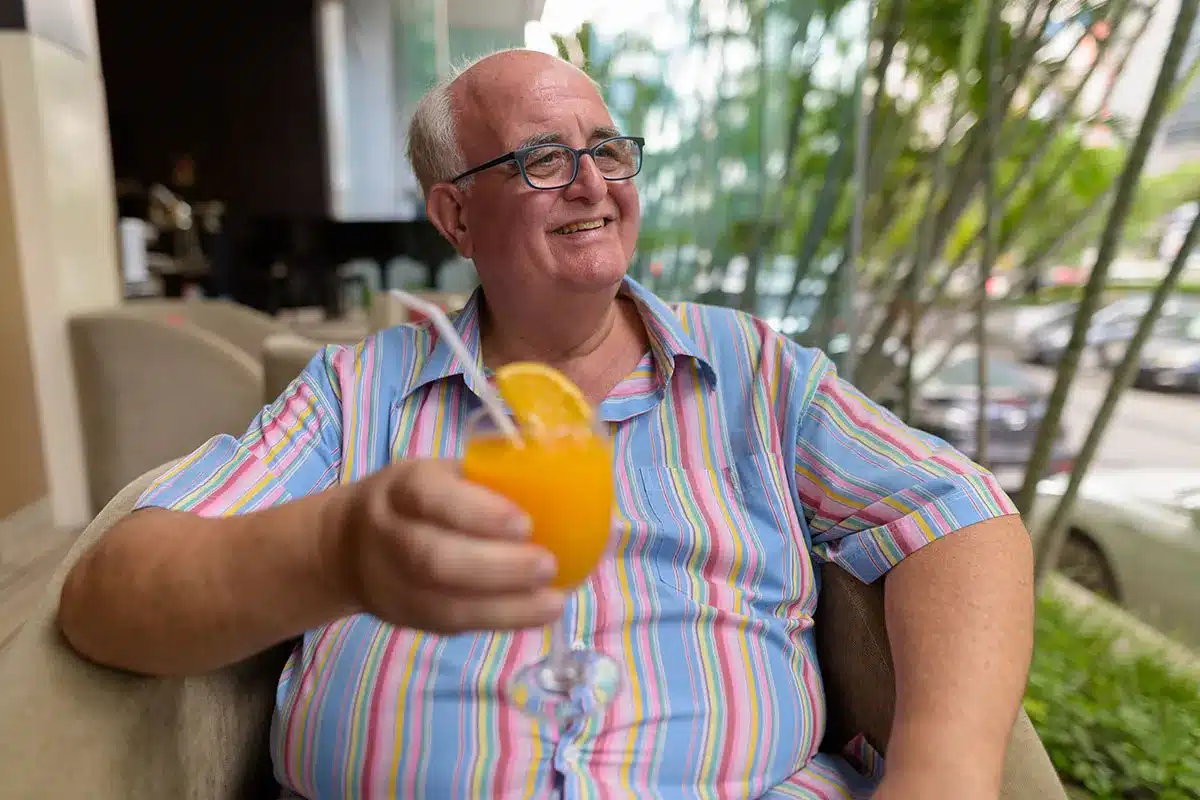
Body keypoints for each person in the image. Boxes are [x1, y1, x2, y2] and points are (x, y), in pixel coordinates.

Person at [58, 49, 1034, 799]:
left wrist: (939, 773)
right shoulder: (355, 394)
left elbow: (957, 508)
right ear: (455, 216)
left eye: (607, 150)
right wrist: (336, 551)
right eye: (540, 158)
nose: (592, 182)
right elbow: (110, 597)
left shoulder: (757, 372)